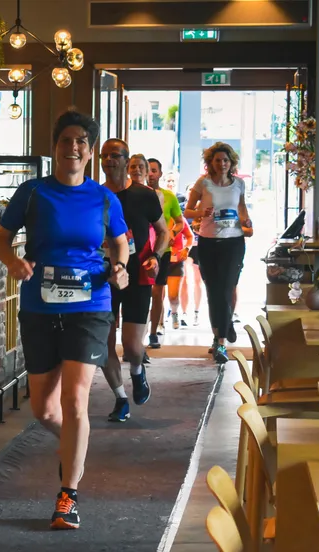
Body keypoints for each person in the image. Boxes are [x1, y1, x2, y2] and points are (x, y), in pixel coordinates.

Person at [0, 110, 130, 530]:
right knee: (43, 410)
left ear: (90, 152)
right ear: (55, 147)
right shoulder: (32, 192)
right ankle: (75, 442)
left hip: (90, 305)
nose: (73, 147)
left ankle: (67, 496)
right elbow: (1, 239)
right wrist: (12, 261)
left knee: (75, 401)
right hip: (39, 306)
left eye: (81, 142)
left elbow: (120, 244)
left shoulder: (104, 198)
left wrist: (121, 268)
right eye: (65, 140)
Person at [100, 144, 169, 422]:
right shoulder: (96, 195)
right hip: (102, 276)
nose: (109, 160)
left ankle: (138, 372)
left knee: (130, 346)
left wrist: (155, 256)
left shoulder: (144, 195)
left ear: (126, 161)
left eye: (114, 155)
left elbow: (163, 231)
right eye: (104, 155)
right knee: (103, 343)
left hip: (137, 274)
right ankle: (120, 399)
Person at [184, 142, 252, 364]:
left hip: (234, 242)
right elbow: (188, 211)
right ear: (210, 163)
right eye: (217, 160)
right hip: (209, 242)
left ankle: (221, 341)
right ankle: (221, 330)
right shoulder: (203, 183)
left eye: (226, 160)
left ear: (231, 163)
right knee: (213, 291)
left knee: (226, 288)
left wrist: (246, 221)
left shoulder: (239, 184)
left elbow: (242, 208)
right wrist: (201, 213)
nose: (222, 164)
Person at [145, 158, 185, 348]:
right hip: (141, 248)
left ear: (160, 174)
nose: (150, 174)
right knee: (141, 293)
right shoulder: (135, 194)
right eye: (148, 170)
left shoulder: (169, 196)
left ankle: (154, 331)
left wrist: (172, 234)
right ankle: (138, 332)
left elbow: (180, 222)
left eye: (154, 170)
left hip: (162, 250)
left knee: (157, 292)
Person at [165, 217, 194, 329]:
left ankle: (174, 313)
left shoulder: (179, 219)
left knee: (173, 296)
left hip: (176, 261)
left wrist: (186, 249)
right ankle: (159, 323)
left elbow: (190, 236)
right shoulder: (155, 216)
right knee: (158, 294)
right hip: (159, 260)